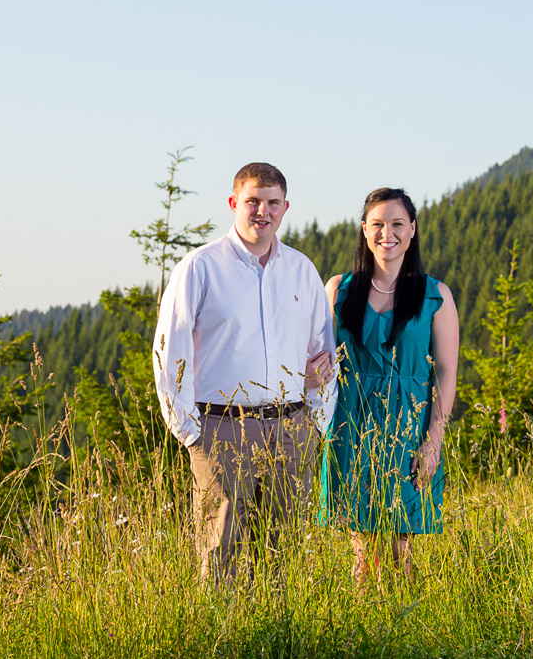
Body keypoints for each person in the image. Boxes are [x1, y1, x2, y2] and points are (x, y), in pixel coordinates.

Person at [153, 162, 336, 585]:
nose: (262, 211)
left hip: (291, 428)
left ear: (285, 207)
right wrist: (189, 432)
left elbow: (323, 353)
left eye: (273, 203)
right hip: (221, 427)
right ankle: (222, 642)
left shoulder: (301, 270)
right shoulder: (199, 268)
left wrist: (316, 423)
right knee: (221, 551)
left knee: (285, 552)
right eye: (253, 200)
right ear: (234, 203)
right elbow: (169, 352)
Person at [318, 187, 459, 584]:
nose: (387, 233)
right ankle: (363, 635)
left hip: (409, 427)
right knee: (363, 551)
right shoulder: (338, 290)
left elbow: (446, 371)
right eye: (377, 224)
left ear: (412, 229)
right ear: (364, 230)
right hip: (351, 424)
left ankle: (406, 633)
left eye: (397, 224)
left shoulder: (436, 296)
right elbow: (318, 360)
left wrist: (434, 441)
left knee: (400, 549)